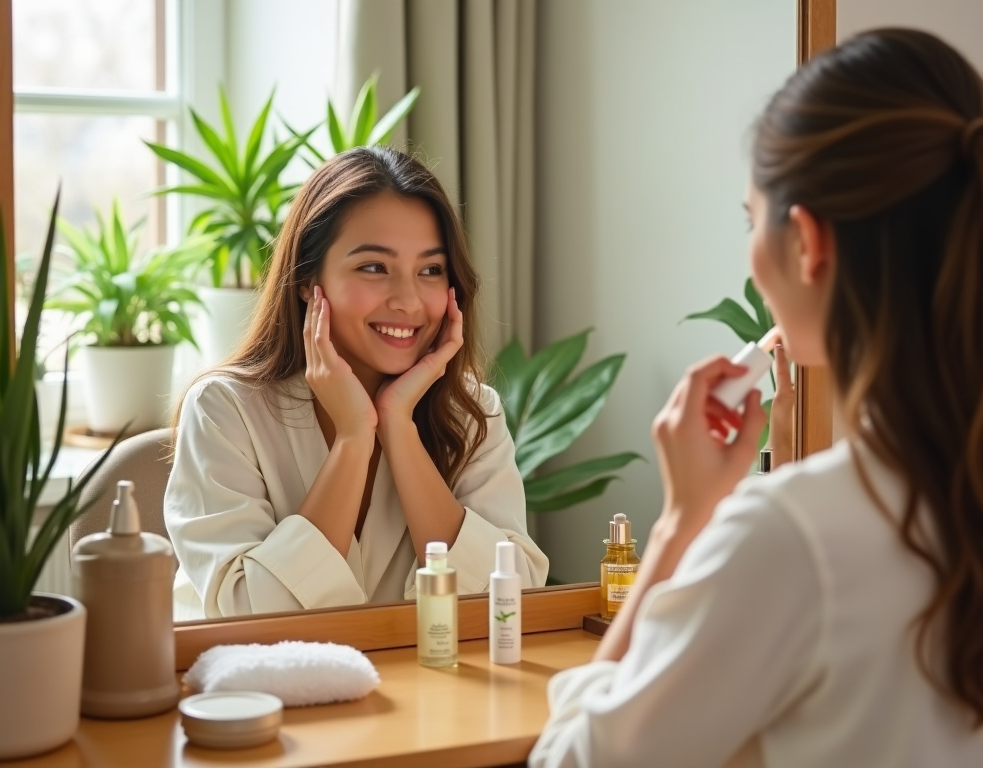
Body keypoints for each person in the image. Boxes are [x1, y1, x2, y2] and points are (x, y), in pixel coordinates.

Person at [530, 28, 983, 767]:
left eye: (751, 219)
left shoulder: (794, 538)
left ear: (806, 242)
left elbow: (573, 761)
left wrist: (681, 523)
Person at [165, 146, 548, 620]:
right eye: (374, 267)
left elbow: (510, 603)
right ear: (307, 281)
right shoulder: (225, 409)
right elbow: (247, 616)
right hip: (257, 690)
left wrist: (398, 427)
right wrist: (353, 438)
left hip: (423, 688)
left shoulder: (471, 412)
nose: (408, 301)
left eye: (430, 270)